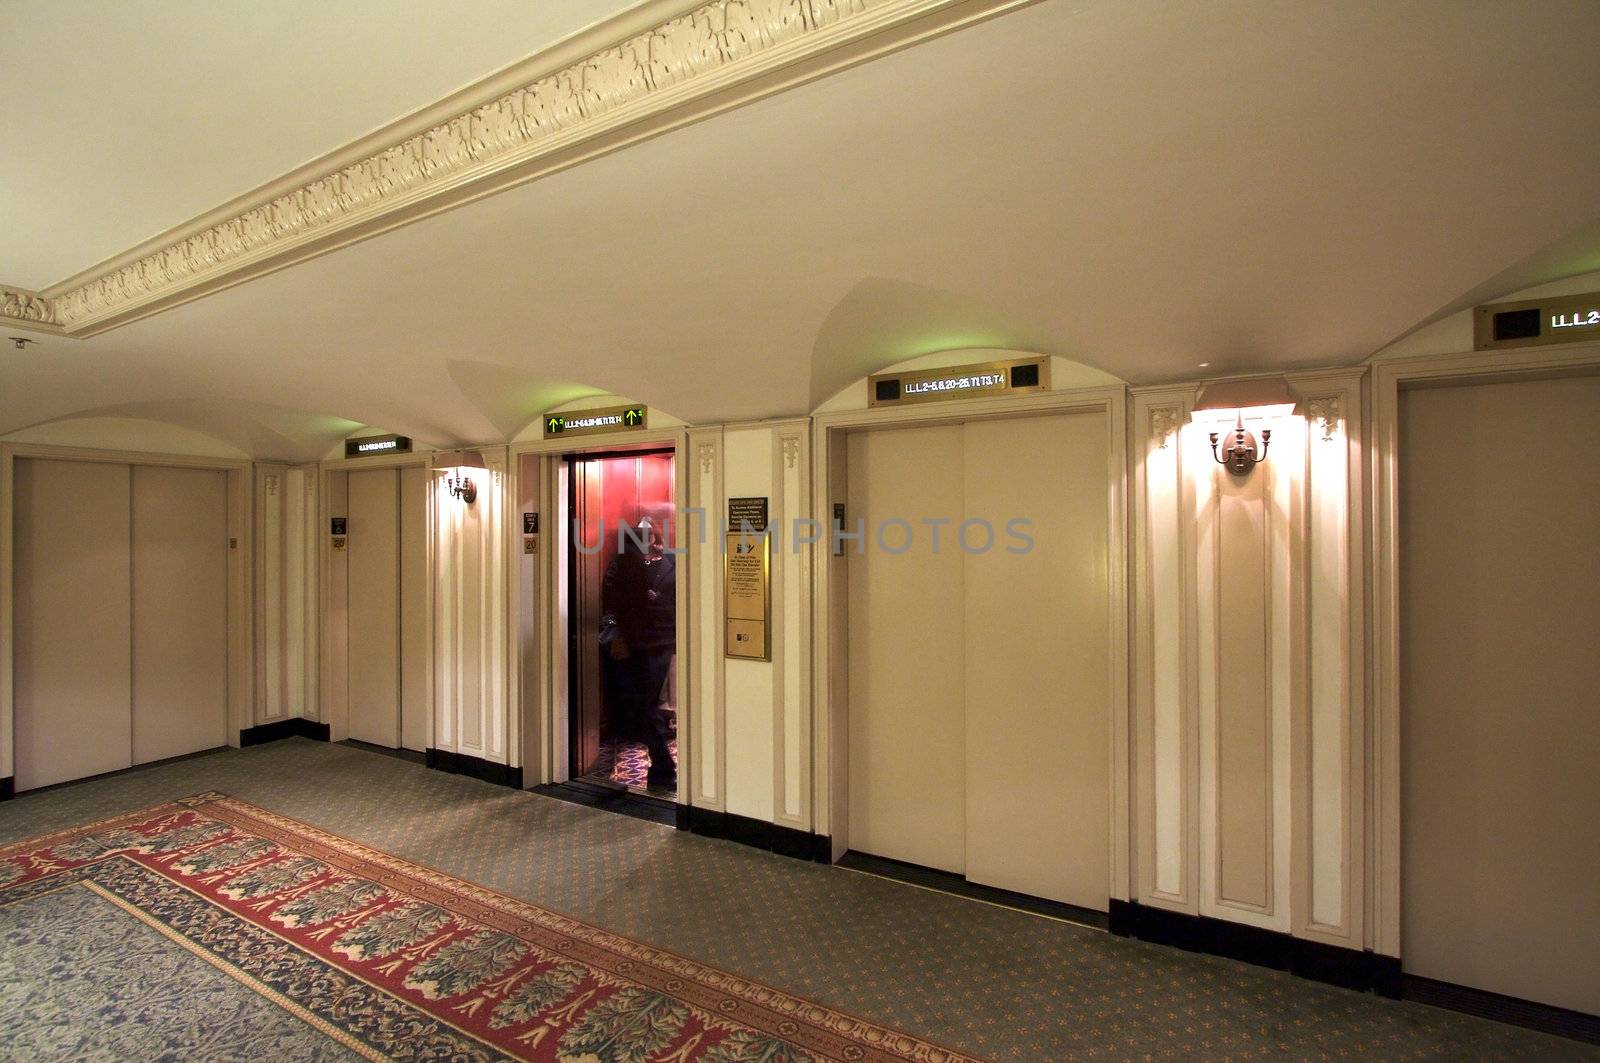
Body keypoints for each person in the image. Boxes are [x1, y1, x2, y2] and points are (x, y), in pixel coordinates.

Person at [599, 517, 677, 789]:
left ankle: (663, 766)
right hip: (641, 644)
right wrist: (617, 633)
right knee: (643, 705)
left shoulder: (639, 562)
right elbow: (616, 607)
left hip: (651, 643)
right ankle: (662, 766)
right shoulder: (627, 564)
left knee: (644, 705)